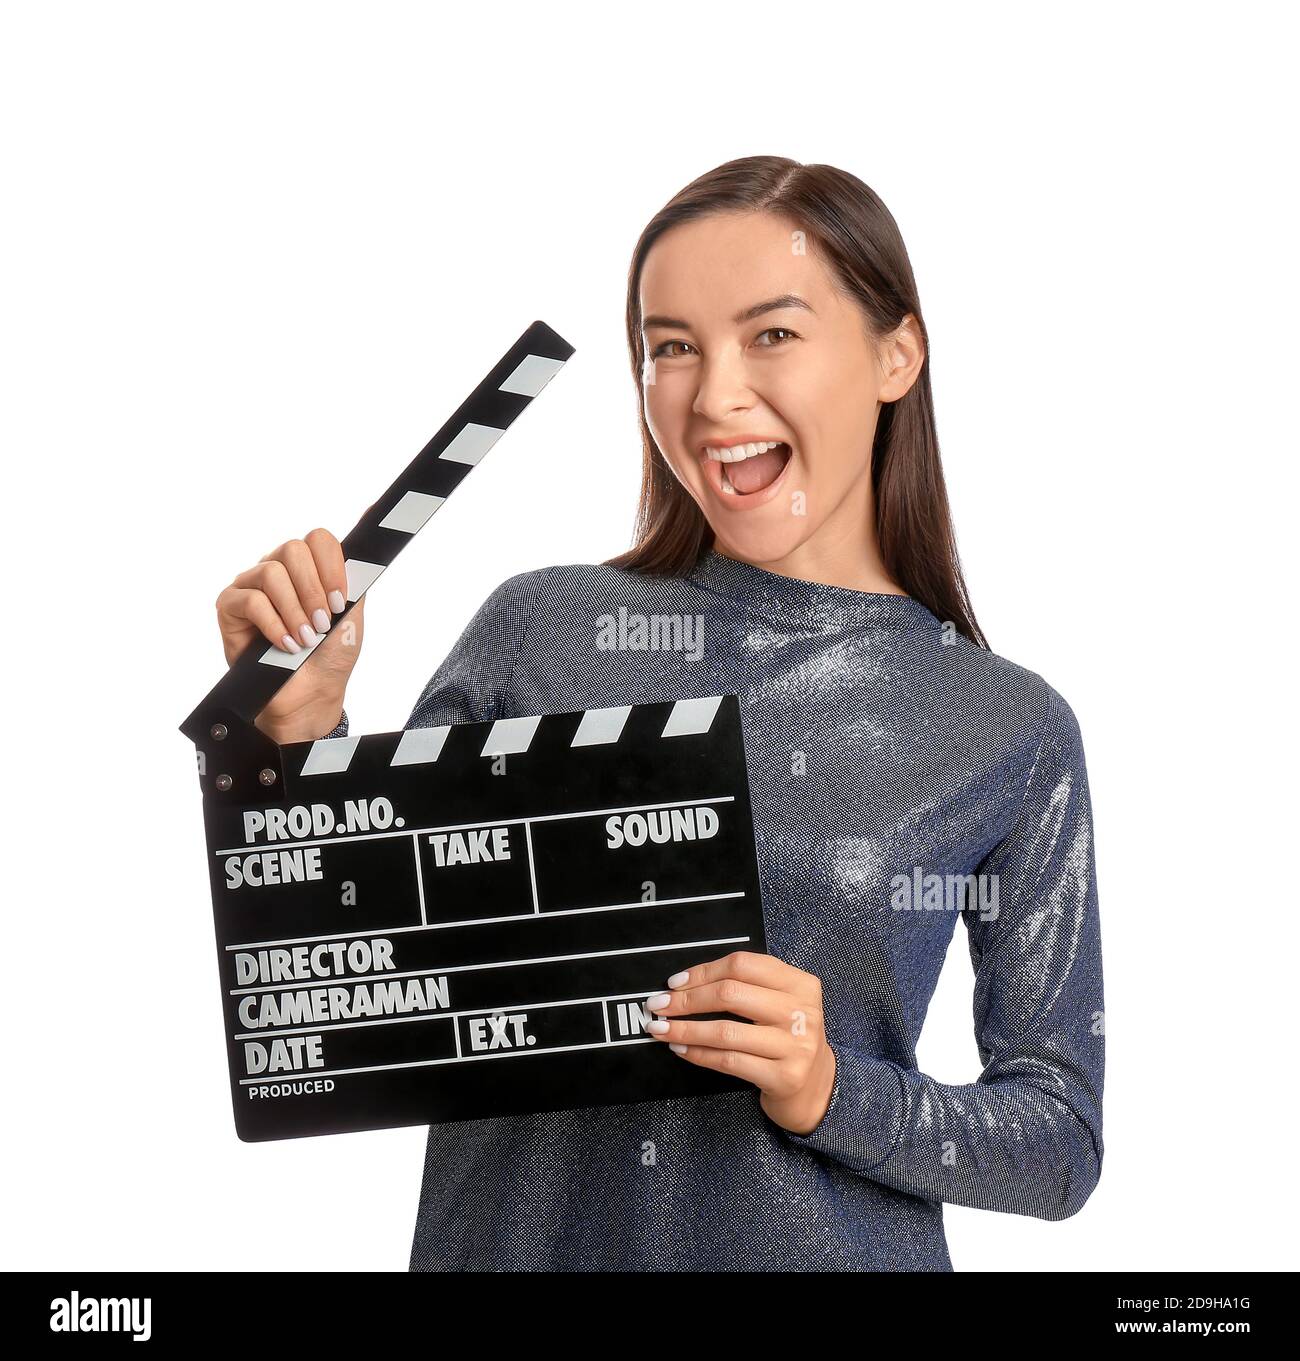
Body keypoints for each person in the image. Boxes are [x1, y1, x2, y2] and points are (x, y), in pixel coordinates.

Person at [213, 155, 1104, 1271]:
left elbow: (1059, 1141)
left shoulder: (1006, 727)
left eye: (772, 333)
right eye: (670, 346)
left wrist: (834, 1088)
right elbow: (345, 998)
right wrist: (295, 738)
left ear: (894, 354)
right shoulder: (539, 628)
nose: (716, 393)